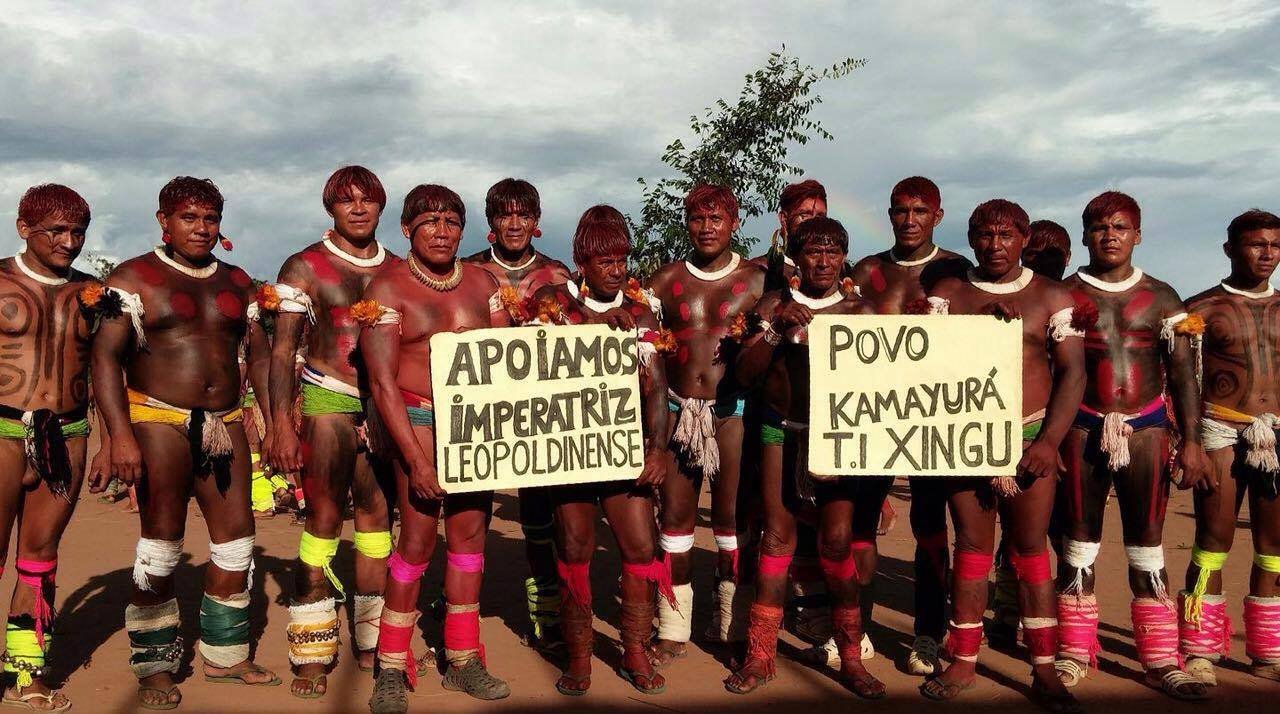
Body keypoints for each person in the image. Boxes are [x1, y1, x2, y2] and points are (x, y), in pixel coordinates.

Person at [91, 177, 277, 710]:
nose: (202, 229)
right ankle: (153, 663)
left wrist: (274, 417)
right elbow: (105, 359)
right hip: (157, 420)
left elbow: (259, 358)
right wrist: (119, 436)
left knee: (237, 540)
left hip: (228, 420)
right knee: (162, 543)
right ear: (163, 221)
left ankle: (225, 655)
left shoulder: (239, 282)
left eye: (211, 219)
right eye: (190, 218)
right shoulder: (133, 278)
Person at [919, 200, 1085, 712]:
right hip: (965, 436)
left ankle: (1042, 667)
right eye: (984, 236)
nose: (994, 246)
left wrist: (1048, 442)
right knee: (970, 548)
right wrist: (977, 329)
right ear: (969, 239)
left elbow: (1072, 374)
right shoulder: (947, 294)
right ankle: (964, 658)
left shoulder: (1051, 295)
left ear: (1024, 238)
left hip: (1031, 434)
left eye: (1005, 236)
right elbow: (926, 364)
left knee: (1032, 551)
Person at [360, 184, 511, 713]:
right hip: (417, 418)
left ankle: (464, 658)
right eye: (430, 222)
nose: (442, 231)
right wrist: (417, 460)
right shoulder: (387, 288)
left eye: (451, 222)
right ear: (407, 230)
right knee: (417, 542)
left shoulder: (482, 283)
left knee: (470, 541)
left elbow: (508, 359)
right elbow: (381, 384)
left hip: (475, 425)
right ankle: (392, 665)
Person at [1055, 190, 1209, 700]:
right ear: (1084, 235)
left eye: (1120, 227)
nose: (1110, 235)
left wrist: (1192, 442)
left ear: (1138, 234)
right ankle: (1076, 650)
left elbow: (1184, 373)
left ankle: (1161, 658)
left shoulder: (1164, 298)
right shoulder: (1066, 294)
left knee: (1147, 542)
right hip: (1083, 426)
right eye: (1099, 227)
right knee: (1078, 541)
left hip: (1147, 430)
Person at [725, 216, 887, 698]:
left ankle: (851, 660)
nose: (824, 261)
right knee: (777, 540)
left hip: (839, 437)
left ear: (844, 257)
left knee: (837, 544)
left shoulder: (862, 313)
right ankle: (759, 657)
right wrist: (776, 331)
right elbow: (747, 374)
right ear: (797, 258)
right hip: (781, 430)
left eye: (833, 251)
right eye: (814, 251)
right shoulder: (773, 305)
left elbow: (884, 387)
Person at [260, 166, 400, 699]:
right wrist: (279, 424)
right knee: (322, 519)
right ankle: (312, 649)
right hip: (327, 395)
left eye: (368, 200)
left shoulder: (399, 268)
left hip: (385, 404)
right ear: (331, 208)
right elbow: (280, 349)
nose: (359, 209)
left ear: (382, 207)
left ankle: (369, 638)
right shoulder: (305, 266)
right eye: (347, 201)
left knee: (375, 519)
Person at [523, 205, 674, 696]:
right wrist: (586, 332)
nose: (616, 269)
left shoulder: (641, 312)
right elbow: (526, 369)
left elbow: (656, 387)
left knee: (641, 547)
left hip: (623, 443)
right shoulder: (552, 302)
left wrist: (656, 448)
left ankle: (634, 649)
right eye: (604, 261)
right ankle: (581, 657)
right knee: (574, 549)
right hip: (570, 447)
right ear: (582, 263)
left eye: (622, 260)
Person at [849, 176, 971, 675]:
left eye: (920, 211)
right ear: (890, 214)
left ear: (937, 215)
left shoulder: (955, 271)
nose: (910, 220)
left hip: (932, 415)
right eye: (901, 211)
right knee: (862, 524)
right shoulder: (867, 271)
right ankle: (854, 629)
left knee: (928, 526)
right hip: (871, 415)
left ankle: (927, 633)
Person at [645, 184, 765, 662]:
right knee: (675, 522)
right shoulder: (664, 280)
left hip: (731, 410)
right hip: (677, 409)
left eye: (717, 219)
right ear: (687, 222)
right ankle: (674, 628)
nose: (707, 228)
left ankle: (732, 626)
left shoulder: (757, 281)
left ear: (734, 222)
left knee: (732, 523)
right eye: (698, 219)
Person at [462, 178, 571, 651]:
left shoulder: (558, 276)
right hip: (480, 411)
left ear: (536, 221)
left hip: (540, 413)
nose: (513, 223)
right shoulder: (466, 272)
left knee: (539, 517)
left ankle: (548, 616)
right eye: (504, 214)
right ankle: (455, 620)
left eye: (523, 214)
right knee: (469, 515)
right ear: (490, 222)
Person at [0, 184, 95, 712]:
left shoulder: (91, 292)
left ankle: (27, 671)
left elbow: (105, 368)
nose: (69, 241)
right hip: (2, 431)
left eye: (77, 231)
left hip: (69, 433)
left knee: (39, 560)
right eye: (56, 231)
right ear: (24, 228)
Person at [1179, 209, 1280, 685]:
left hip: (1276, 435)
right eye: (1255, 244)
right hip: (1221, 427)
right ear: (1229, 249)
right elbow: (1182, 381)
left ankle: (1267, 649)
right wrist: (1190, 441)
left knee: (1274, 548)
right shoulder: (1202, 308)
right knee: (1212, 543)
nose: (1266, 254)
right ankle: (1199, 647)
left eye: (1274, 246)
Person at [991, 217, 1076, 643]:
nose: (1045, 262)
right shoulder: (1010, 297)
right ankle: (1008, 613)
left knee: (1061, 532)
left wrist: (1052, 438)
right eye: (1037, 255)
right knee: (1016, 533)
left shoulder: (1067, 297)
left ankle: (1062, 627)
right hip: (1016, 427)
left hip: (1064, 428)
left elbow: (1072, 374)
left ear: (1068, 258)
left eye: (1054, 256)